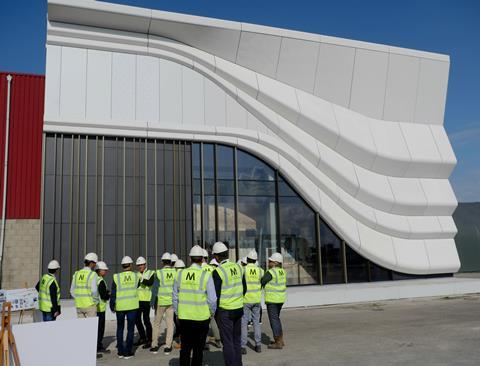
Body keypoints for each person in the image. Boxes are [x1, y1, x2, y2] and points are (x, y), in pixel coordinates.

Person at [172, 245, 217, 366]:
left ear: (189, 258)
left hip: (185, 318)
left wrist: (177, 313)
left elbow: (175, 298)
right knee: (198, 350)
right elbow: (212, 300)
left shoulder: (180, 274)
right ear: (202, 259)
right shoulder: (206, 275)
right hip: (201, 319)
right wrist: (210, 313)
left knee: (185, 349)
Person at [212, 241, 246, 366]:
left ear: (216, 257)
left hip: (225, 311)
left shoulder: (218, 271)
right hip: (238, 309)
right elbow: (244, 288)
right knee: (236, 340)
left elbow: (215, 295)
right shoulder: (238, 267)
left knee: (228, 342)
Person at [110, 256, 139, 359]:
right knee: (130, 329)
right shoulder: (136, 276)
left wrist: (112, 305)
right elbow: (138, 286)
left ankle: (120, 352)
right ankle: (128, 352)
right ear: (131, 265)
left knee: (120, 328)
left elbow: (113, 293)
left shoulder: (116, 277)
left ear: (122, 266)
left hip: (120, 307)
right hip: (132, 306)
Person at [150, 252, 176, 355]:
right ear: (170, 262)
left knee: (157, 324)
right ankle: (168, 346)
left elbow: (155, 289)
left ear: (162, 262)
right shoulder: (175, 273)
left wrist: (152, 302)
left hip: (160, 302)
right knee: (170, 324)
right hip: (171, 302)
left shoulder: (159, 273)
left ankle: (155, 345)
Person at [261, 252, 287, 350]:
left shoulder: (271, 272)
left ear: (275, 263)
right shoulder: (282, 271)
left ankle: (278, 342)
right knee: (277, 319)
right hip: (280, 299)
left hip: (272, 300)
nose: (268, 262)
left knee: (274, 320)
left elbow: (262, 281)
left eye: (270, 261)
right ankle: (280, 339)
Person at [241, 250, 264, 354]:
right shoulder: (260, 271)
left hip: (245, 300)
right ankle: (258, 345)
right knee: (256, 323)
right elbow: (263, 282)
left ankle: (243, 346)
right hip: (257, 300)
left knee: (244, 323)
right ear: (255, 260)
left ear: (247, 259)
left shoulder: (243, 270)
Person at [70, 253, 99, 318]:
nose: (95, 265)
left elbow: (72, 291)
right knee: (91, 327)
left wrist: (79, 299)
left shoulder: (76, 274)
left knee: (81, 327)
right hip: (90, 305)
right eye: (95, 263)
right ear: (91, 263)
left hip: (79, 306)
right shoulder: (93, 274)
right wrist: (95, 302)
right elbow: (94, 291)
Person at [135, 256, 155, 348]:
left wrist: (141, 280)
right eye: (138, 265)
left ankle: (150, 340)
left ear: (145, 264)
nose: (140, 266)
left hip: (146, 300)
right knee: (137, 320)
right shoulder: (136, 274)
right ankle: (142, 337)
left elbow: (150, 283)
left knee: (146, 320)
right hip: (137, 300)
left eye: (141, 265)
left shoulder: (151, 273)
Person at [95, 261, 111, 353]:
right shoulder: (100, 281)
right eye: (104, 270)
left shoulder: (95, 279)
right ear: (99, 270)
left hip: (94, 307)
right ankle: (99, 346)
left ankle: (96, 345)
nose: (105, 271)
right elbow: (103, 296)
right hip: (100, 308)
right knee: (100, 329)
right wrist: (109, 294)